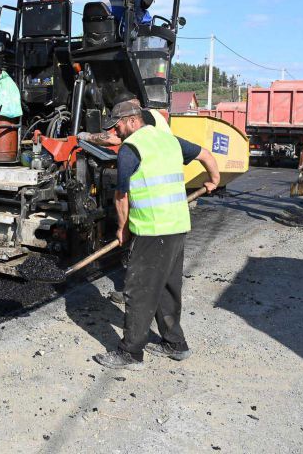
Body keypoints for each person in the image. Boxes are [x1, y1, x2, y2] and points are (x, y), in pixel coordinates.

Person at [93, 101, 220, 370]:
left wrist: (122, 229)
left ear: (132, 121)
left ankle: (131, 353)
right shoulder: (169, 140)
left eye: (117, 125)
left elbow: (121, 196)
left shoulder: (131, 148)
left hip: (152, 230)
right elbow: (206, 155)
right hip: (177, 225)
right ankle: (175, 344)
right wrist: (214, 179)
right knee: (167, 287)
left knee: (138, 290)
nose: (116, 131)